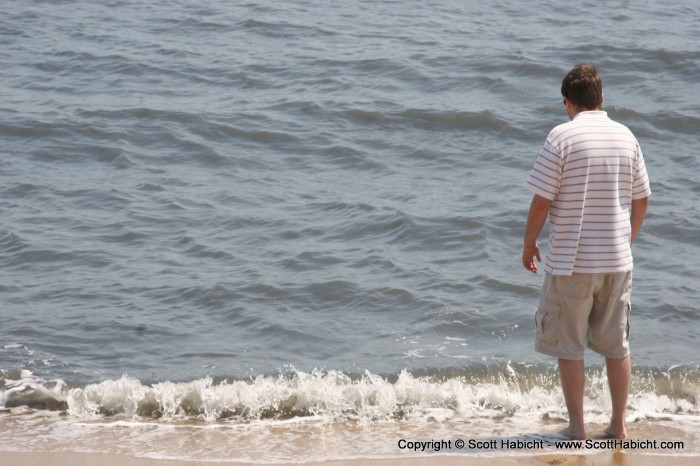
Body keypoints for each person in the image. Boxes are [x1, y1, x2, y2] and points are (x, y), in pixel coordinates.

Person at [522, 64, 651, 440]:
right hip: (617, 261)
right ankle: (618, 426)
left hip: (571, 261)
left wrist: (529, 243)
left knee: (570, 345)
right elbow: (642, 198)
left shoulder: (561, 137)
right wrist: (626, 240)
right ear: (602, 98)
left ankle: (577, 428)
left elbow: (542, 200)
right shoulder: (626, 136)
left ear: (567, 102)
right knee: (616, 345)